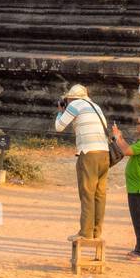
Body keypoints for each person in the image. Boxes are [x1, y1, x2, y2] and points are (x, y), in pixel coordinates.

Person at [53, 83, 110, 241]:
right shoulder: (95, 106)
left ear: (71, 98)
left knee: (87, 194)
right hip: (104, 153)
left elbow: (59, 127)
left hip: (88, 154)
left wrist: (60, 112)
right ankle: (96, 231)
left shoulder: (74, 105)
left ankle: (85, 232)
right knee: (100, 195)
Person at [110, 112, 140, 260]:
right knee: (138, 220)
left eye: (139, 123)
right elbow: (127, 148)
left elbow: (126, 151)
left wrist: (118, 137)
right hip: (135, 186)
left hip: (139, 187)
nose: (137, 126)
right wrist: (120, 138)